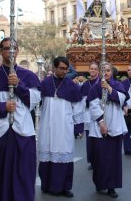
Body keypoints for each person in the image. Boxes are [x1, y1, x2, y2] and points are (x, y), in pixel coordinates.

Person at [0, 37, 41, 201]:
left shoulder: (28, 75)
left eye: (13, 48)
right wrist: (2, 107)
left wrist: (18, 85)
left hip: (22, 132)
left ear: (18, 51)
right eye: (6, 48)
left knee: (23, 172)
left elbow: (34, 100)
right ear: (0, 51)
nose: (10, 51)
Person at [38, 56, 84, 198]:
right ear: (54, 68)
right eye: (61, 68)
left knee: (64, 154)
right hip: (47, 126)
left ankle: (64, 187)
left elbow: (78, 108)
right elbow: (36, 103)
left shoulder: (71, 85)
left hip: (65, 127)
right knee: (47, 153)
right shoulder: (45, 83)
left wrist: (78, 127)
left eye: (66, 69)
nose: (64, 71)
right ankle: (46, 185)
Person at [87, 62, 128, 198]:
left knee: (113, 159)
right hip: (100, 126)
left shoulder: (118, 85)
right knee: (100, 158)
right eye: (103, 70)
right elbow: (93, 106)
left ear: (112, 72)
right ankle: (100, 183)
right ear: (99, 72)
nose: (106, 73)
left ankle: (111, 187)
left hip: (115, 125)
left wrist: (110, 89)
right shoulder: (94, 88)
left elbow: (122, 99)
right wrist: (101, 122)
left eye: (108, 70)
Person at [80, 62, 100, 170]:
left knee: (98, 139)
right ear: (89, 70)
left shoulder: (100, 83)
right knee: (90, 140)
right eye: (91, 69)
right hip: (87, 114)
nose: (92, 71)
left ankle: (99, 160)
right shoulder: (85, 84)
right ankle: (91, 161)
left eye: (95, 69)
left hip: (98, 114)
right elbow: (81, 98)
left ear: (98, 71)